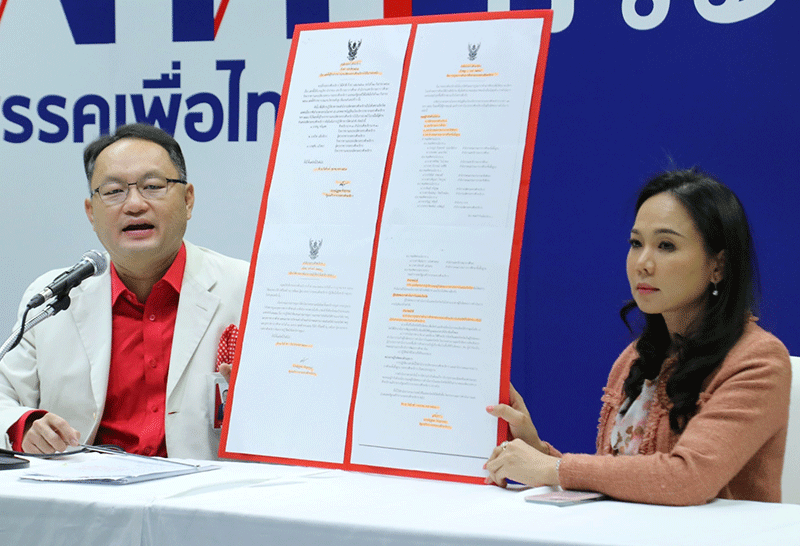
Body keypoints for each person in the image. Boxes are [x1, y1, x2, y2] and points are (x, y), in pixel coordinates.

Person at [485, 168, 791, 505]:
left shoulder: (759, 360)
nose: (643, 263)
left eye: (666, 245)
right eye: (636, 243)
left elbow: (688, 478)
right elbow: (617, 480)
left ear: (718, 265)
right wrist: (535, 451)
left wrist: (554, 468)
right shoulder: (636, 357)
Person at [0, 123, 249, 459]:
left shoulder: (248, 289)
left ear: (188, 200)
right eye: (114, 191)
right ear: (91, 212)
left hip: (207, 489)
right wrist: (25, 426)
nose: (134, 204)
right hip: (83, 488)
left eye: (153, 186)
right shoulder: (54, 297)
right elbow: (4, 395)